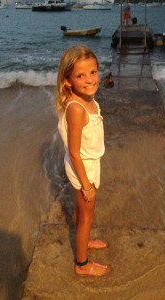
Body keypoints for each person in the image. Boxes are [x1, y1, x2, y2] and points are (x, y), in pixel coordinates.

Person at [55, 45, 111, 277]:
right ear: (67, 80)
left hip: (88, 162)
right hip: (83, 167)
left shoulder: (88, 100)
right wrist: (86, 185)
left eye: (93, 72)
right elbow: (76, 152)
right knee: (87, 215)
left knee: (81, 209)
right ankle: (82, 264)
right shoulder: (76, 109)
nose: (90, 79)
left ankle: (84, 239)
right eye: (80, 75)